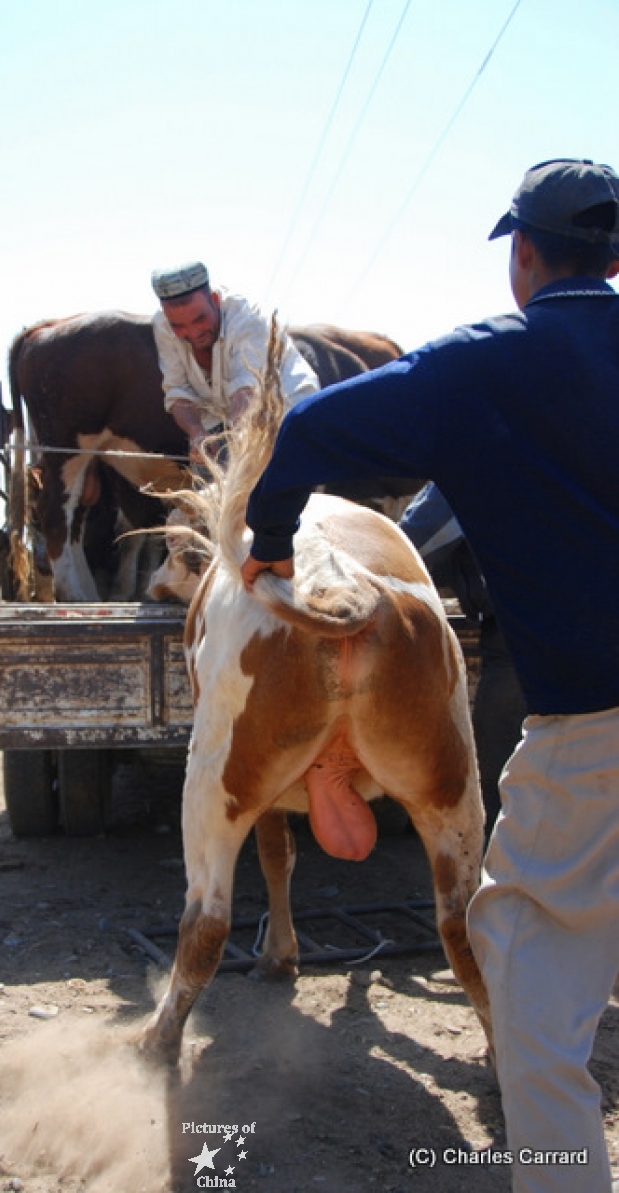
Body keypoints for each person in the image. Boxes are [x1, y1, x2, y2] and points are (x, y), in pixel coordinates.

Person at [240, 159, 619, 1193]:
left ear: (522, 256)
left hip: (591, 730)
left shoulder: (483, 364)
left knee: (530, 979)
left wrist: (269, 540)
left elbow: (308, 430)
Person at [399, 482, 526, 839]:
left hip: (527, 624)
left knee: (503, 729)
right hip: (580, 613)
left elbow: (410, 545)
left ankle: (497, 847)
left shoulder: (471, 463)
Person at [151, 260, 319, 460]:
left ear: (214, 299)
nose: (193, 333)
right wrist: (196, 433)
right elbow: (178, 389)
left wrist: (235, 445)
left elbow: (246, 389)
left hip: (286, 410)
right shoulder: (163, 325)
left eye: (199, 319)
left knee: (271, 481)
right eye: (179, 325)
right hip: (222, 418)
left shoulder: (249, 319)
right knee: (211, 479)